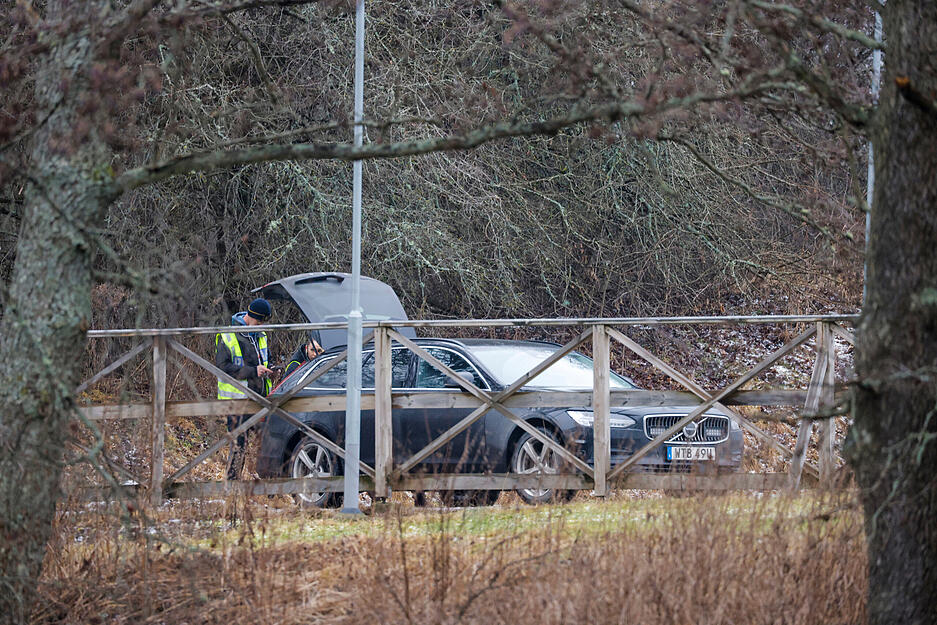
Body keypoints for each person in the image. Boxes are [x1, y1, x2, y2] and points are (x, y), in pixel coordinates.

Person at [215, 298, 274, 480]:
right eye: (259, 320)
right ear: (251, 316)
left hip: (259, 398)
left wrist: (269, 369)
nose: (261, 325)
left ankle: (269, 486)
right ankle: (232, 485)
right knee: (239, 443)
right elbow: (222, 368)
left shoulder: (261, 335)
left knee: (268, 441)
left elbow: (266, 359)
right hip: (236, 401)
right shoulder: (228, 336)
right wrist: (253, 371)